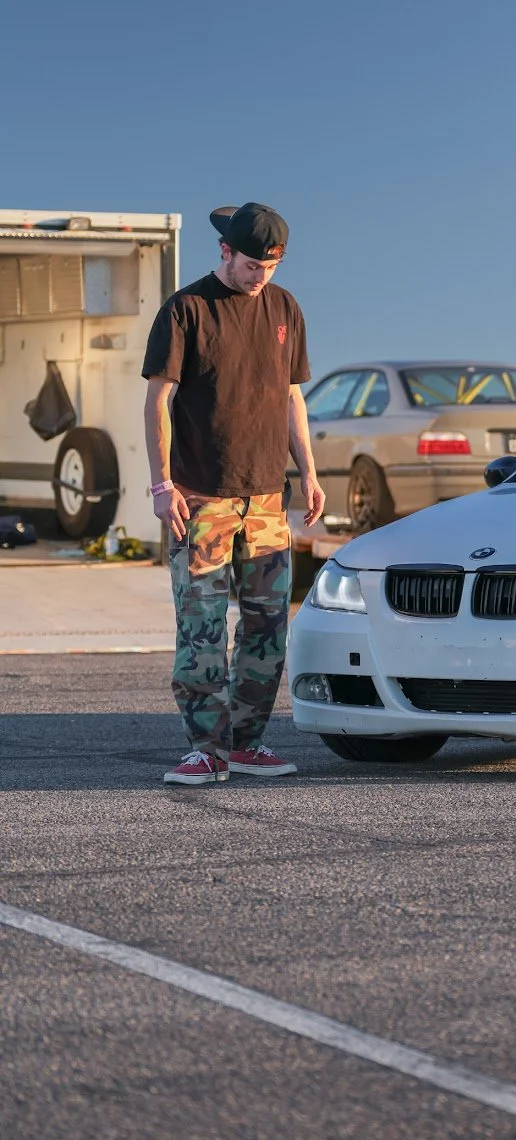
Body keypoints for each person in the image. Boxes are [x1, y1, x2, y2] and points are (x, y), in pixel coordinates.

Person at [142, 203, 326, 786]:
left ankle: (246, 743)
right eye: (251, 265)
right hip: (201, 501)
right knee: (201, 628)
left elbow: (292, 398)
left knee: (268, 629)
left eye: (270, 266)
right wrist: (162, 484)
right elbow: (158, 401)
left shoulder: (284, 308)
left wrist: (311, 473)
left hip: (268, 499)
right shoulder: (187, 309)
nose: (260, 277)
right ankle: (205, 748)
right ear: (225, 252)